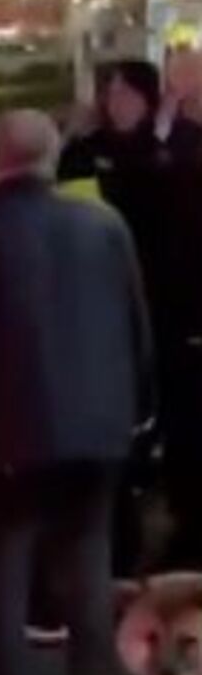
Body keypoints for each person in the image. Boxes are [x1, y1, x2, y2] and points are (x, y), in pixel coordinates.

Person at [0, 110, 154, 675]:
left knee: (6, 550)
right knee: (88, 548)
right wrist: (140, 407)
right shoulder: (104, 223)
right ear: (52, 156)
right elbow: (136, 320)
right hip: (99, 423)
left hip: (8, 425)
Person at [59, 58, 202, 568]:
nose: (117, 104)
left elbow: (174, 199)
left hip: (175, 308)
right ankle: (118, 542)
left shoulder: (182, 144)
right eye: (111, 94)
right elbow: (68, 211)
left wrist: (164, 133)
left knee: (185, 421)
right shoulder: (88, 151)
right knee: (117, 424)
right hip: (108, 309)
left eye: (128, 95)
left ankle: (186, 533)